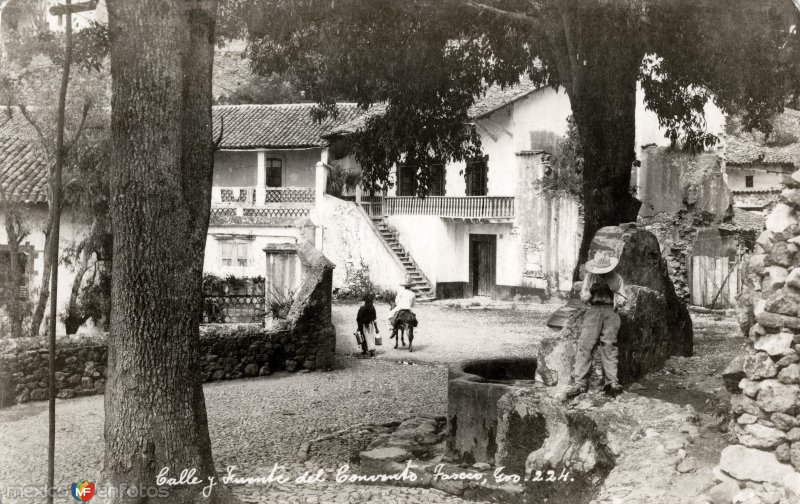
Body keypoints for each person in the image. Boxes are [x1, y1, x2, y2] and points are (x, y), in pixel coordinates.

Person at [566, 250, 626, 399]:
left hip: (610, 311)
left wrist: (614, 295)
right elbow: (584, 299)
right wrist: (591, 292)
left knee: (609, 344)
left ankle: (612, 382)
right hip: (593, 310)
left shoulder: (616, 278)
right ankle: (580, 383)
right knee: (585, 344)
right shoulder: (590, 276)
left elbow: (623, 299)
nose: (602, 273)